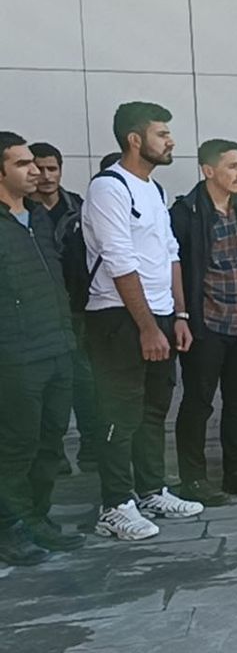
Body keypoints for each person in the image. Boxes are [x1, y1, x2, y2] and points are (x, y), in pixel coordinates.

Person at [82, 102, 203, 540]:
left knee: (153, 409)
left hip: (162, 315)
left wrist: (179, 315)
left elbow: (170, 253)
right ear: (135, 139)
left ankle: (151, 491)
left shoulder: (153, 188)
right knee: (120, 413)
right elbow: (119, 261)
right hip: (119, 319)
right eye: (161, 134)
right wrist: (148, 327)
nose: (170, 142)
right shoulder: (109, 188)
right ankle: (115, 505)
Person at [0, 132, 83, 564]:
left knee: (51, 443)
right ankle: (9, 529)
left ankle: (37, 519)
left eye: (33, 161)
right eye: (21, 164)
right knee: (17, 447)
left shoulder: (39, 217)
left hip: (58, 348)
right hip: (15, 356)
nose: (34, 170)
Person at [170, 139, 237, 504]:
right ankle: (193, 478)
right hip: (208, 323)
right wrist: (183, 316)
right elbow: (176, 268)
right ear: (208, 170)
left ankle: (235, 472)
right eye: (232, 166)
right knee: (198, 402)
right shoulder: (186, 212)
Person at [29, 141, 98, 471]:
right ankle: (52, 452)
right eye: (39, 168)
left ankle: (91, 449)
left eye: (52, 168)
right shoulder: (20, 212)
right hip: (40, 314)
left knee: (85, 382)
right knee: (48, 386)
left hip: (80, 310)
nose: (46, 176)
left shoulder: (79, 208)